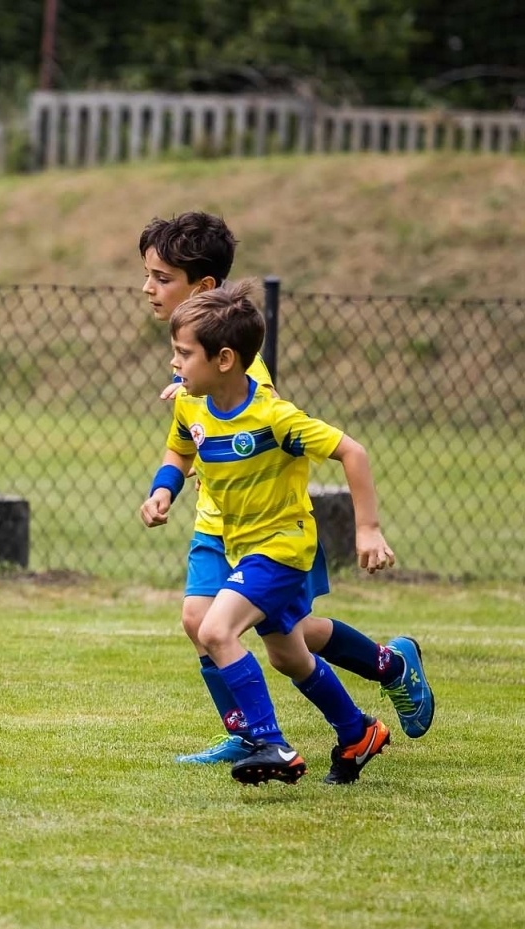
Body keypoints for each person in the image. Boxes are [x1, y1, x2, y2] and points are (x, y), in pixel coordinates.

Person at [138, 212, 434, 760]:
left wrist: (366, 526)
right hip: (218, 524)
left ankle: (388, 667)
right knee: (205, 622)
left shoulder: (245, 380)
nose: (148, 288)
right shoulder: (191, 374)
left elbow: (301, 439)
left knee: (289, 639)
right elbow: (184, 441)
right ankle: (251, 733)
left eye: (161, 277)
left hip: (271, 532)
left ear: (202, 289)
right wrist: (166, 487)